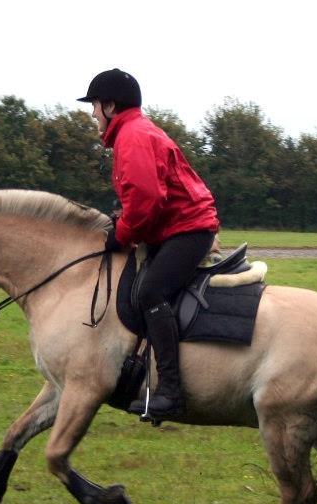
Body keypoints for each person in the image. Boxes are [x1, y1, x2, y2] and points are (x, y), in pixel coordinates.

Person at [78, 68, 220, 419]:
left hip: (188, 230)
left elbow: (146, 201)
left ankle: (170, 392)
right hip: (178, 227)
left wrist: (121, 233)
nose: (93, 114)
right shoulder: (134, 132)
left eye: (94, 106)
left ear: (110, 105)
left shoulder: (132, 137)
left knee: (150, 293)